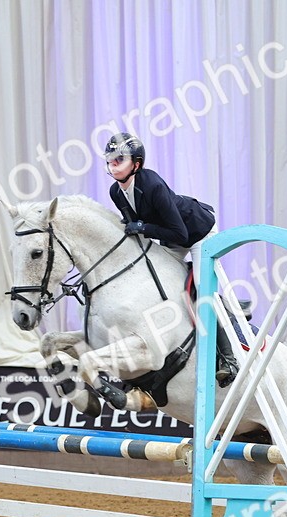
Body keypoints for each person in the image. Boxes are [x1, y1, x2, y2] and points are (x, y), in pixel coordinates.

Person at [102, 132, 238, 387]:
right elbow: (139, 228)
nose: (113, 165)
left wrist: (141, 226)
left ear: (137, 164)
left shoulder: (152, 184)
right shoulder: (115, 191)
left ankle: (228, 358)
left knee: (200, 289)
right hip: (170, 236)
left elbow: (180, 233)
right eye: (110, 160)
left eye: (119, 159)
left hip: (197, 233)